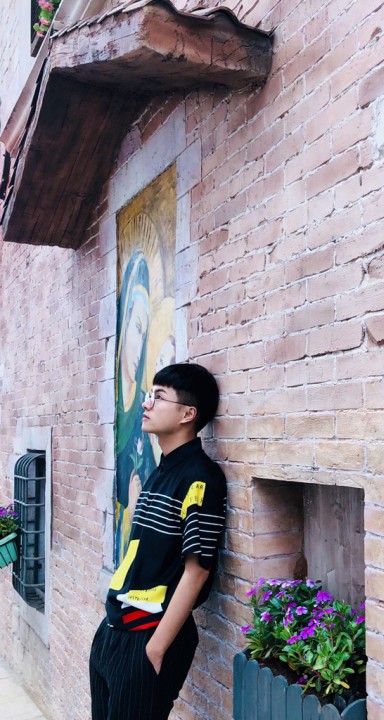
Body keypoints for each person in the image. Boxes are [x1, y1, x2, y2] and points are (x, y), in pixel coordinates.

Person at [90, 363, 227, 720]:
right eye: (149, 395)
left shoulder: (200, 478)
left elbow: (197, 571)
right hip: (114, 631)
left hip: (147, 639)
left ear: (187, 414)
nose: (146, 404)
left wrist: (156, 648)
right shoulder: (160, 471)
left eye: (159, 397)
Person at [115, 250, 155, 566]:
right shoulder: (118, 409)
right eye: (136, 328)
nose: (139, 345)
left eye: (145, 333)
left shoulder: (146, 409)